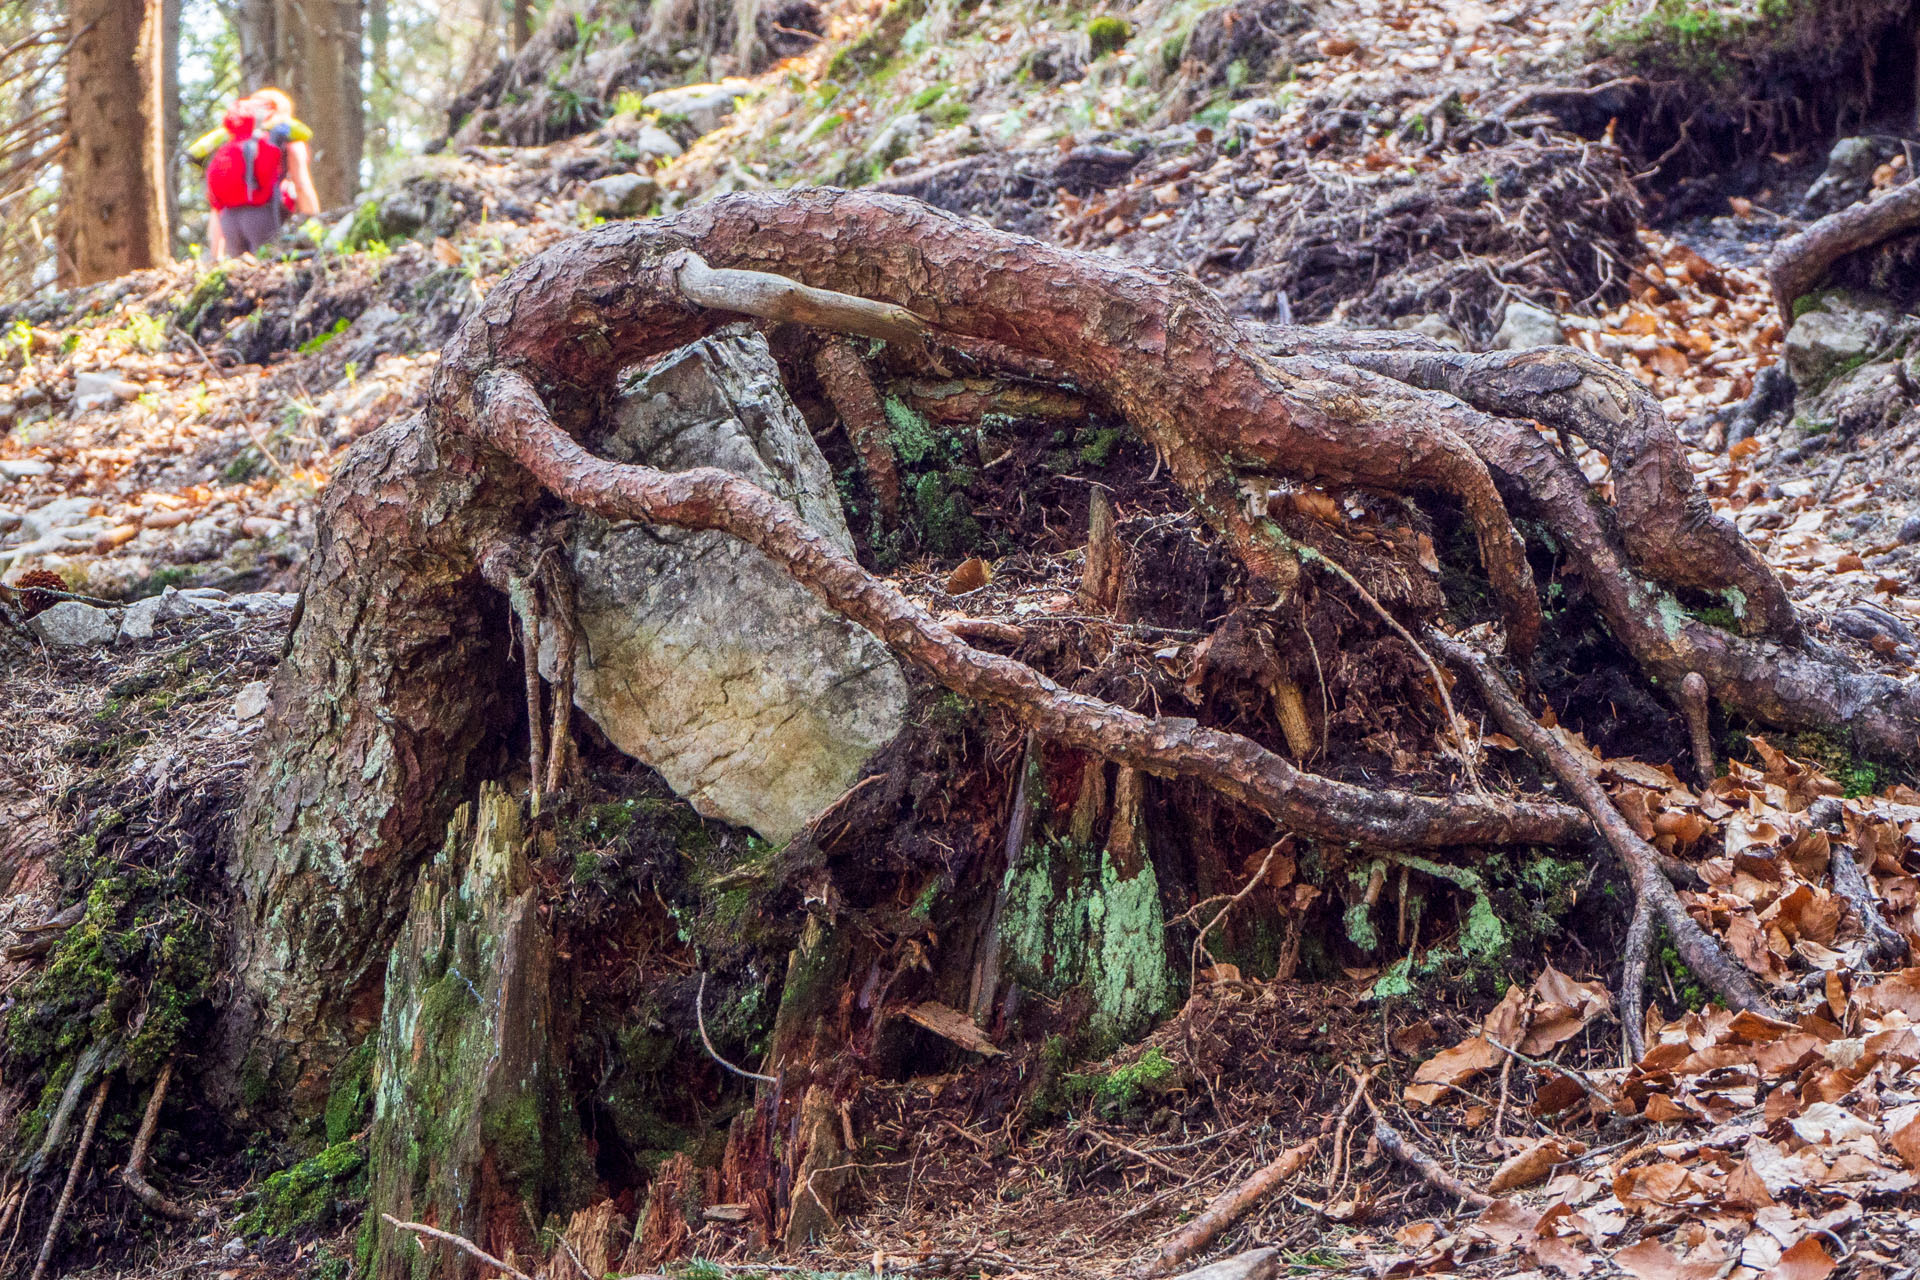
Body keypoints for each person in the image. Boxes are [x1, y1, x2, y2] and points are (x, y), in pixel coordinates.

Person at [188, 89, 322, 259]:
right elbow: (302, 185)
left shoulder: (230, 141)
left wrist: (216, 254)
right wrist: (316, 226)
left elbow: (218, 204)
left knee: (240, 278)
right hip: (265, 217)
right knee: (269, 275)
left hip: (229, 221)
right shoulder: (284, 137)